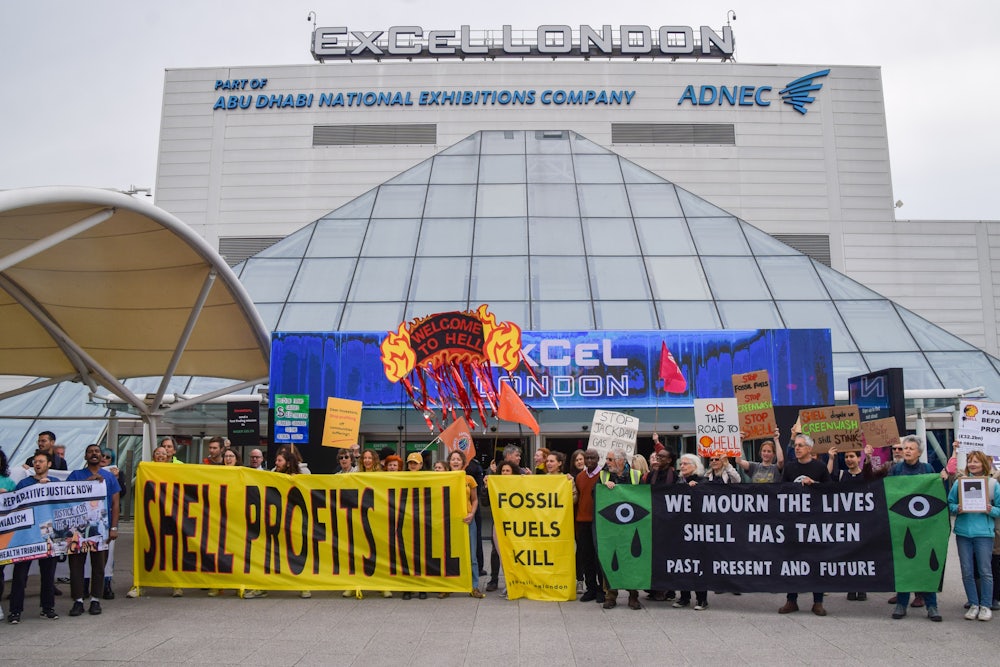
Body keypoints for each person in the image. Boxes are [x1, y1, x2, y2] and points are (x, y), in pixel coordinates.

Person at [888, 435, 943, 622]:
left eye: (911, 448)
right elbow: (889, 493)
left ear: (919, 452)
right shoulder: (896, 470)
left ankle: (932, 605)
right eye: (905, 448)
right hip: (902, 526)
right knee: (903, 565)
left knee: (927, 564)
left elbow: (936, 492)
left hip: (924, 526)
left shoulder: (927, 469)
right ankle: (901, 603)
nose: (907, 451)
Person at [65, 444, 121, 617]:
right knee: (76, 565)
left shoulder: (109, 477)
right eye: (90, 452)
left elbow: (115, 503)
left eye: (97, 452)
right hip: (78, 529)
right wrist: (85, 484)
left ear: (101, 456)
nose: (94, 454)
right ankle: (78, 600)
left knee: (98, 565)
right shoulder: (76, 476)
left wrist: (113, 527)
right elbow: (66, 498)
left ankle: (96, 599)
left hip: (101, 529)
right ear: (85, 456)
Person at [779, 434, 831, 616]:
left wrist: (814, 484)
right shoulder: (790, 467)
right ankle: (791, 600)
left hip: (814, 522)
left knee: (816, 562)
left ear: (809, 448)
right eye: (796, 445)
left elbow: (830, 490)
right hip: (794, 522)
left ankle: (818, 602)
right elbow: (781, 490)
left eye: (801, 446)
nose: (797, 448)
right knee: (793, 562)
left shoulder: (819, 467)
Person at [8, 450, 61, 624]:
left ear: (49, 464)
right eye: (35, 462)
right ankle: (15, 610)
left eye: (40, 461)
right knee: (20, 575)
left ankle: (47, 608)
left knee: (48, 574)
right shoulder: (24, 484)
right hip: (27, 535)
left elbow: (63, 504)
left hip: (48, 535)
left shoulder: (55, 483)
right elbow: (15, 505)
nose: (37, 464)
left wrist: (49, 489)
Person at [948, 450, 1000, 621]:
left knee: (985, 571)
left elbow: (999, 509)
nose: (972, 464)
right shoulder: (959, 483)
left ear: (983, 464)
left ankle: (985, 605)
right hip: (963, 533)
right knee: (967, 571)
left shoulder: (992, 484)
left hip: (984, 534)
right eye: (970, 461)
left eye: (976, 461)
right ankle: (973, 603)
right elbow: (950, 504)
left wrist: (990, 509)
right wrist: (958, 509)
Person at [599, 449, 643, 610]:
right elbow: (595, 496)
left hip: (632, 527)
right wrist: (604, 488)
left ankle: (633, 595)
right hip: (610, 526)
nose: (607, 462)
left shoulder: (636, 476)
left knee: (631, 560)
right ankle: (610, 595)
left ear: (621, 461)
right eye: (607, 459)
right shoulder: (603, 476)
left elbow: (643, 497)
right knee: (610, 560)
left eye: (610, 459)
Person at [673, 454, 709, 610]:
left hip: (697, 529)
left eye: (685, 464)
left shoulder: (703, 481)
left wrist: (698, 489)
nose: (682, 466)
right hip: (681, 528)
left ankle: (702, 599)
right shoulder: (678, 482)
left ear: (695, 466)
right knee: (683, 563)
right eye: (681, 464)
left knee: (699, 564)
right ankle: (684, 596)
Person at [449, 450, 485, 598]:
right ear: (449, 462)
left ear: (464, 463)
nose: (455, 462)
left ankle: (474, 586)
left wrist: (472, 514)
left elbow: (475, 500)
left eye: (458, 459)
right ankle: (449, 586)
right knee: (449, 554)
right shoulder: (442, 478)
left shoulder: (469, 479)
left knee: (471, 555)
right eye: (453, 459)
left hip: (467, 521)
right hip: (449, 521)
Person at [643, 449, 677, 602]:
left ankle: (667, 590)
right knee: (653, 556)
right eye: (657, 456)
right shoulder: (651, 475)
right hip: (654, 520)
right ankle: (654, 587)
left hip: (670, 522)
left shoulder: (675, 477)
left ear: (669, 460)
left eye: (662, 456)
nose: (658, 458)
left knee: (667, 556)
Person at [575, 448, 604, 604]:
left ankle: (601, 589)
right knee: (586, 557)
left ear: (598, 459)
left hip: (599, 521)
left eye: (593, 457)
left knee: (599, 557)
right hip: (583, 522)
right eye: (587, 458)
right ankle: (591, 588)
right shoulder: (579, 477)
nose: (590, 460)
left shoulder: (604, 476)